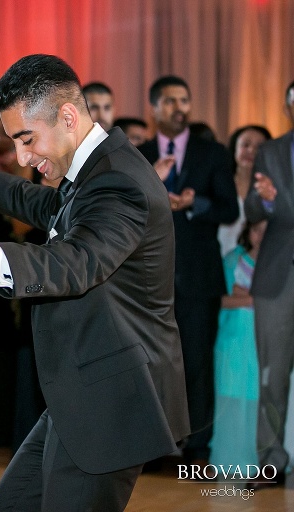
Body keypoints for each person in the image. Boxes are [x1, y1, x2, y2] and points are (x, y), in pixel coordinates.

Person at [0, 54, 190, 511]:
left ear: (67, 116)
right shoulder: (94, 168)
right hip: (83, 392)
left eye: (27, 139)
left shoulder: (119, 182)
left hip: (112, 397)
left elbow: (79, 260)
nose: (24, 156)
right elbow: (48, 209)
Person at [138, 76, 238, 466]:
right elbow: (124, 208)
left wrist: (195, 205)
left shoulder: (212, 152)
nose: (180, 107)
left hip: (198, 276)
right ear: (155, 107)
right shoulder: (139, 153)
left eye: (185, 100)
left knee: (196, 362)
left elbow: (228, 208)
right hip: (148, 279)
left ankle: (197, 451)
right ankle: (152, 449)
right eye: (171, 100)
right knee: (151, 363)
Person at [245, 79, 294, 489]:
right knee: (271, 376)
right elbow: (250, 209)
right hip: (278, 278)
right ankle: (271, 462)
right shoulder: (271, 150)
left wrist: (282, 202)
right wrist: (264, 199)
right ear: (286, 105)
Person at [209, 219, 267, 480]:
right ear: (249, 231)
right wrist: (256, 298)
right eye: (257, 229)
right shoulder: (234, 260)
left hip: (261, 346)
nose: (262, 236)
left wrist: (249, 297)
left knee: (259, 403)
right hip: (233, 343)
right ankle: (229, 461)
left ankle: (260, 463)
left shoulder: (280, 266)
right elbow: (220, 299)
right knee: (230, 401)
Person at [217, 125, 271, 257]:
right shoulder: (219, 184)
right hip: (218, 261)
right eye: (245, 145)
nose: (251, 151)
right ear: (234, 148)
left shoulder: (269, 190)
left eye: (258, 147)